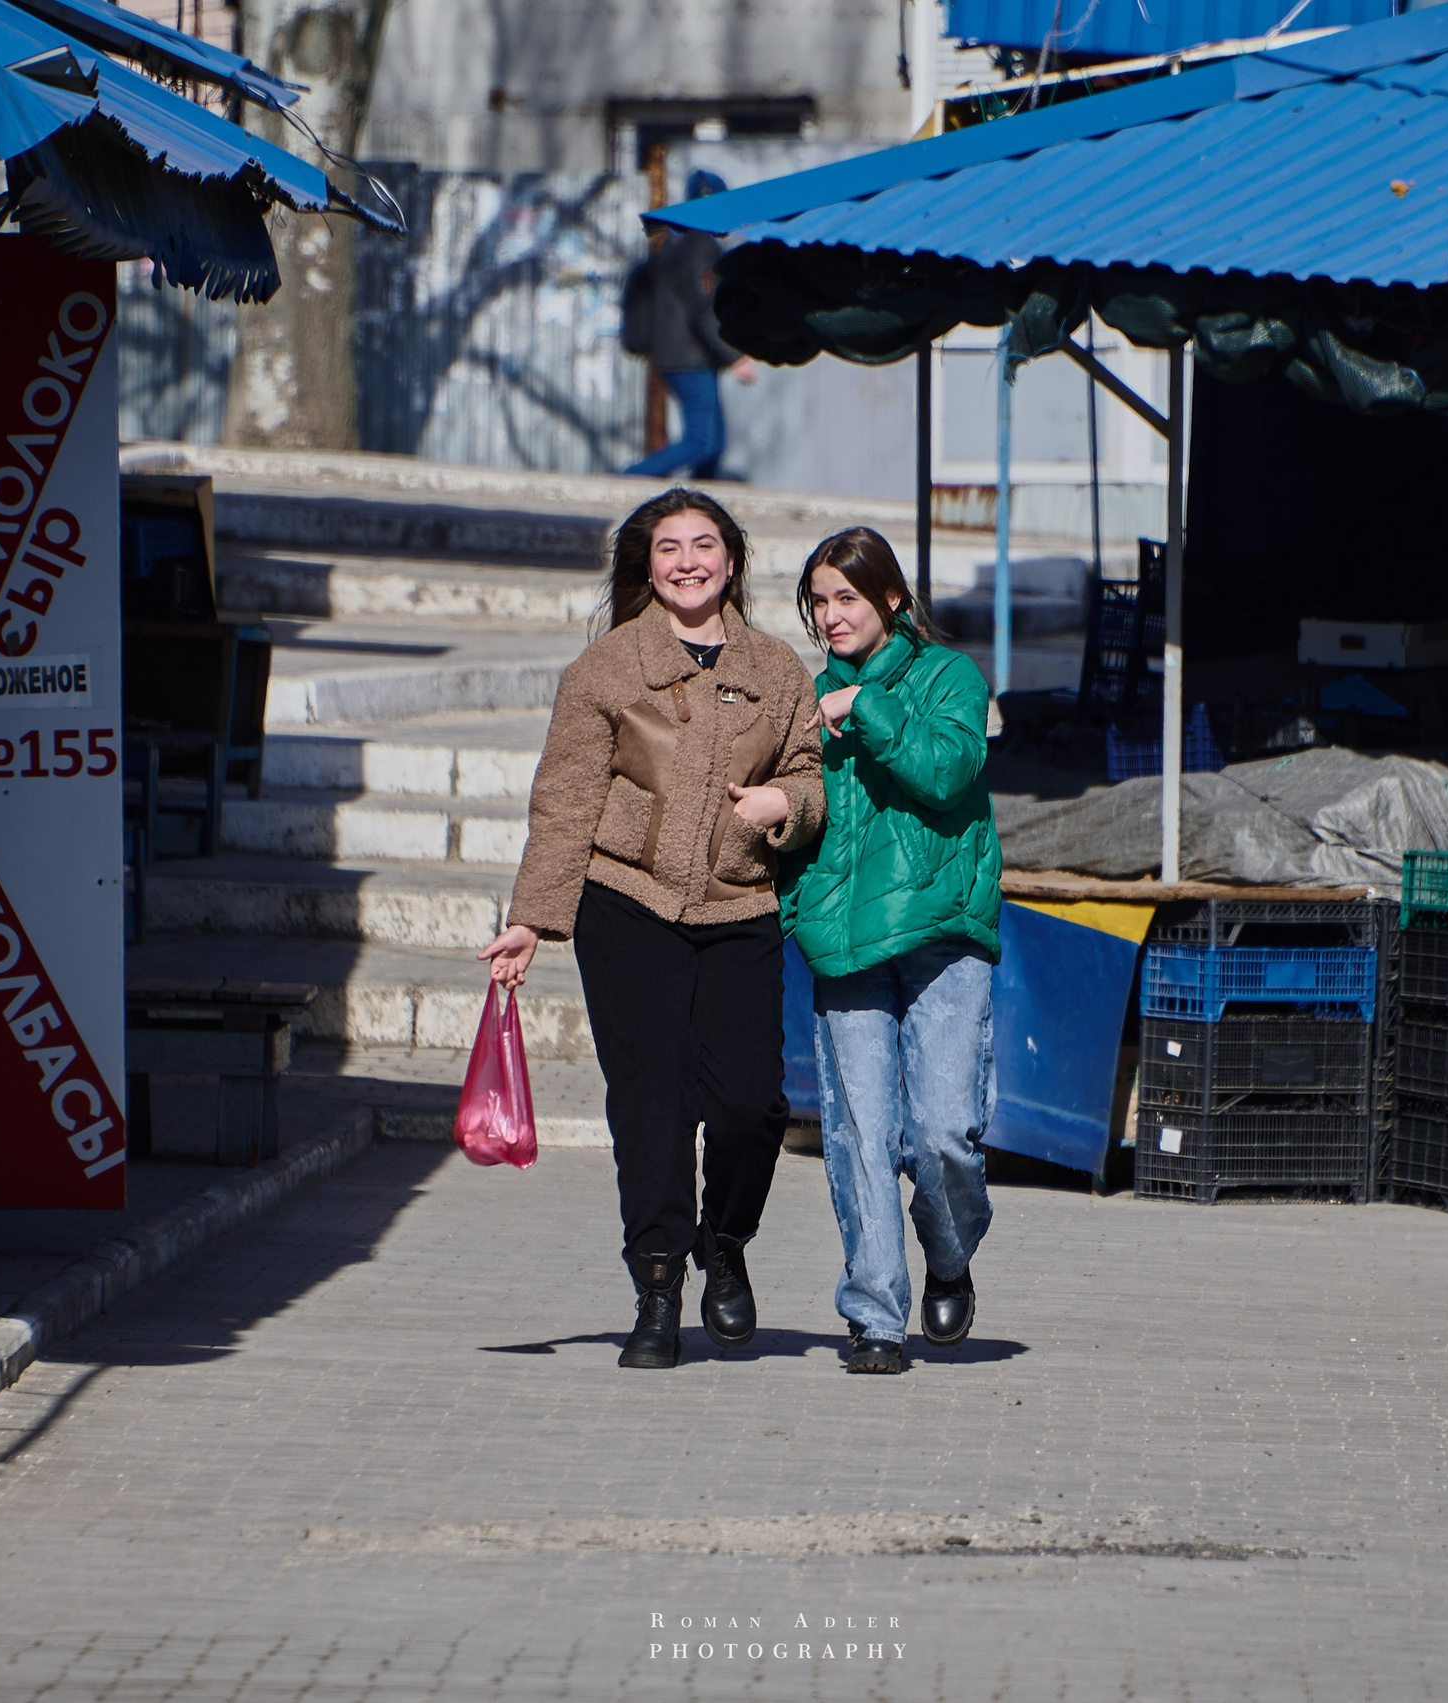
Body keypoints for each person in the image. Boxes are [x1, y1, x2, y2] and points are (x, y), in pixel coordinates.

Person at [480, 489, 825, 1370]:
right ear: (647, 564)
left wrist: (788, 805)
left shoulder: (779, 669)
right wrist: (532, 919)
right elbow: (566, 802)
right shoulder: (603, 671)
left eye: (703, 545)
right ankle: (660, 1284)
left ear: (732, 561)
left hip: (740, 906)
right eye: (669, 548)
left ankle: (726, 1241)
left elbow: (809, 774)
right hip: (626, 903)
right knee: (652, 1104)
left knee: (751, 1104)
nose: (687, 562)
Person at [782, 527, 1003, 1376]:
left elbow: (948, 771)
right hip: (845, 944)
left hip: (943, 931)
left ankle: (948, 1251)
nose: (831, 616)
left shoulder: (950, 676)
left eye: (847, 597)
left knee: (943, 1132)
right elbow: (801, 810)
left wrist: (864, 708)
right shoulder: (806, 698)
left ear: (893, 599)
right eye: (819, 602)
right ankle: (875, 1313)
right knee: (860, 1135)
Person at [623, 170, 757, 481]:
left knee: (714, 444)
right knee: (700, 443)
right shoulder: (699, 246)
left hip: (684, 357)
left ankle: (704, 496)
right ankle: (628, 478)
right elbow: (703, 309)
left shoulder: (676, 241)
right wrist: (735, 357)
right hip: (688, 358)